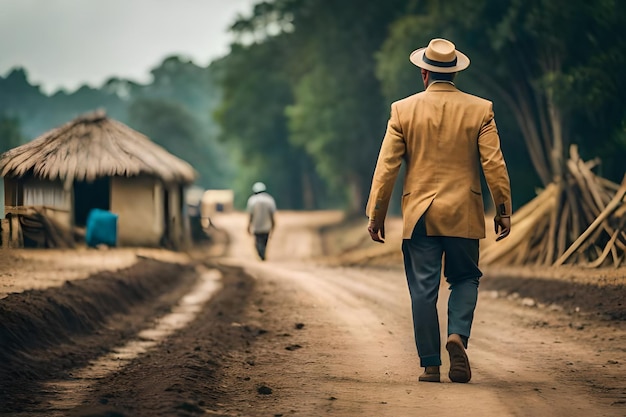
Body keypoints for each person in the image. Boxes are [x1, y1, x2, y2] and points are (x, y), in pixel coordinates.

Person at [365, 38, 512, 383]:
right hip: (464, 211)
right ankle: (457, 335)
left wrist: (377, 214)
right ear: (455, 73)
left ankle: (430, 363)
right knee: (465, 277)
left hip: (419, 217)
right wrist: (503, 209)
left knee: (422, 289)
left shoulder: (403, 109)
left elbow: (387, 167)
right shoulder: (481, 109)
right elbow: (494, 163)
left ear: (423, 73)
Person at [246, 181, 276, 260]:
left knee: (258, 241)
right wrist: (273, 225)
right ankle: (263, 253)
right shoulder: (269, 200)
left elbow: (250, 215)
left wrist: (248, 225)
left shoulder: (252, 200)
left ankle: (261, 253)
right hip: (267, 225)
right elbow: (272, 214)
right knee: (264, 241)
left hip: (257, 226)